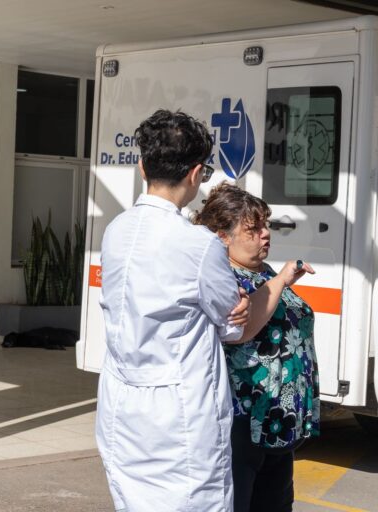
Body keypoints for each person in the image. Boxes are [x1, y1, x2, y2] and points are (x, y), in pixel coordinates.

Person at [96, 110, 251, 512]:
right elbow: (231, 325)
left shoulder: (116, 230)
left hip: (121, 405)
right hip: (181, 415)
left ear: (143, 165)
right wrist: (237, 312)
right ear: (197, 173)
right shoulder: (200, 245)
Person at [194, 182, 320, 512]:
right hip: (246, 419)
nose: (266, 234)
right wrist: (281, 281)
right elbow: (244, 331)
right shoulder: (224, 279)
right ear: (222, 236)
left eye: (266, 225)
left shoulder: (262, 272)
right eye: (254, 229)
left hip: (277, 420)